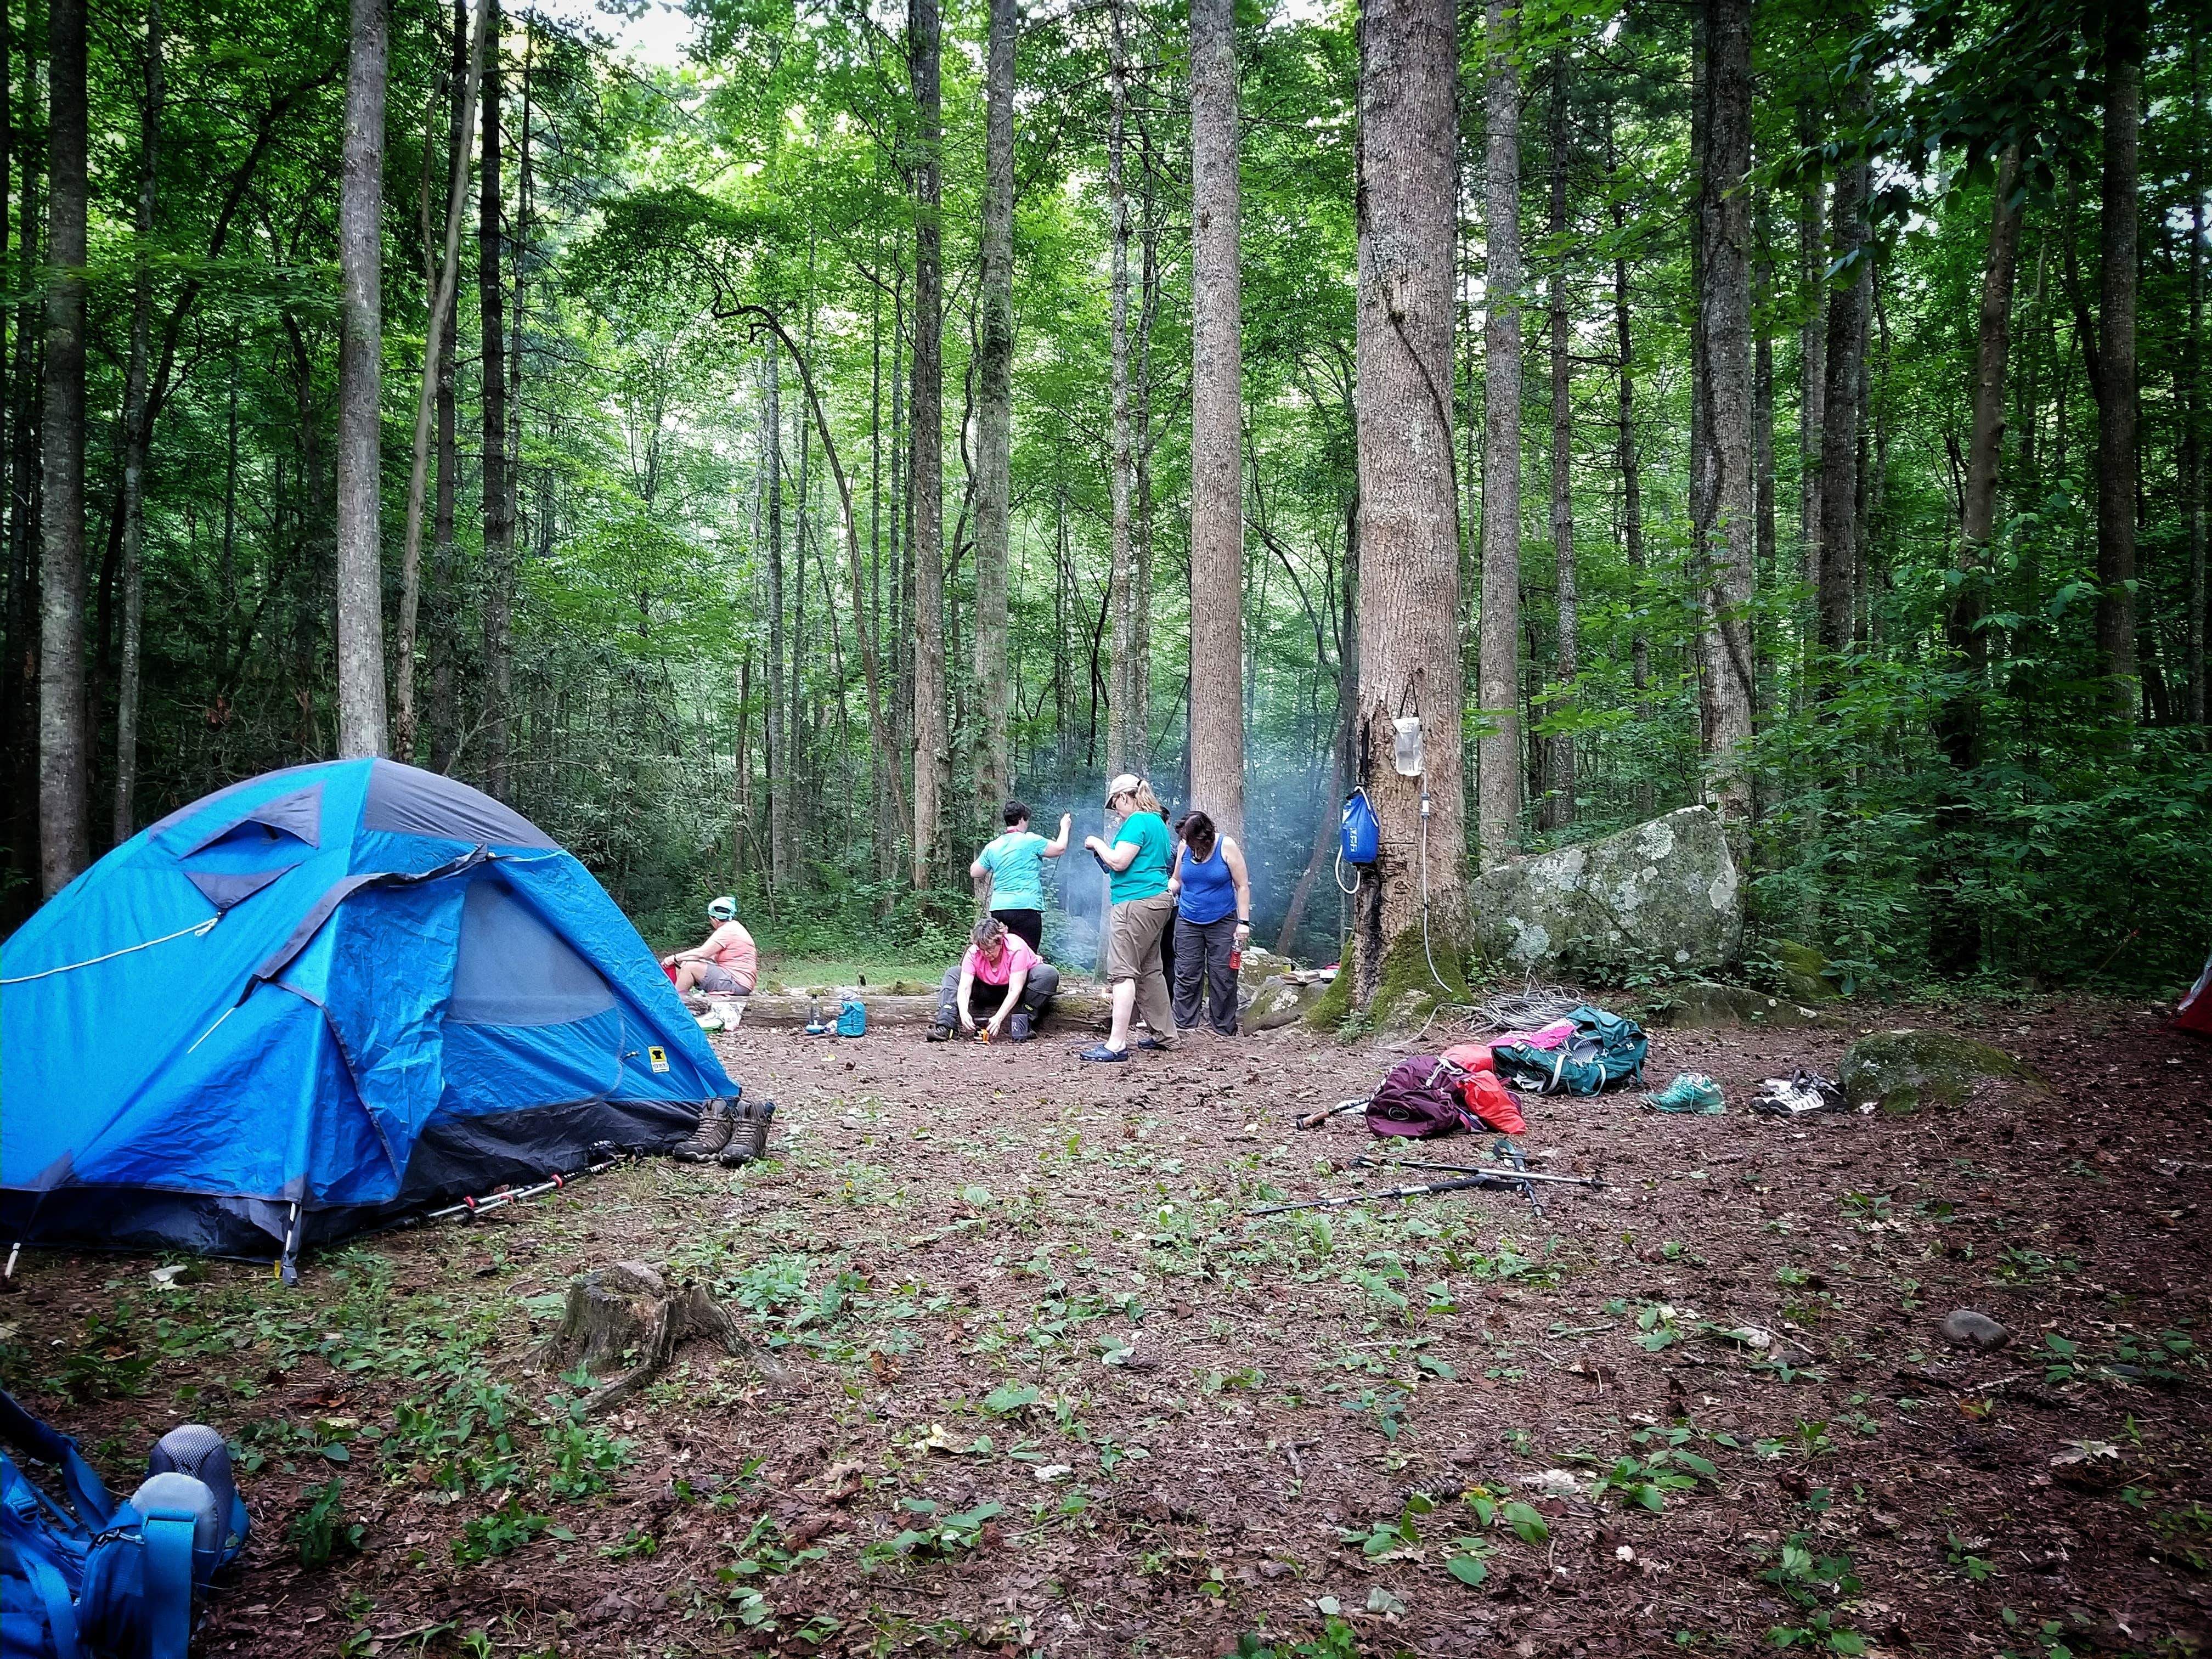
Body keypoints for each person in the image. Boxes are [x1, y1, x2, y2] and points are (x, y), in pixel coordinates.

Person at [1077, 775, 1176, 1063]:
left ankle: (1116, 1044)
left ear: (1124, 797)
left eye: (1115, 804)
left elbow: (1119, 861)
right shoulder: (1157, 822)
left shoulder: (1136, 821)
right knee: (1149, 970)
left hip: (1135, 903)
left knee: (1123, 972)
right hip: (1158, 900)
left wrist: (1097, 842)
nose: (1116, 810)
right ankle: (1165, 1035)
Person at [1168, 810, 1252, 1036]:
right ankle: (1184, 1024)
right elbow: (1177, 880)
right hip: (1188, 920)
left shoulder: (1226, 846)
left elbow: (1242, 886)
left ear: (1204, 836)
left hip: (1222, 920)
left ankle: (1223, 1028)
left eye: (1190, 838)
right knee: (1186, 972)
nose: (1186, 842)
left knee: (1223, 975)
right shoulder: (1185, 848)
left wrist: (1243, 922)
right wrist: (1164, 892)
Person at [929, 915, 1060, 1042]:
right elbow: (965, 987)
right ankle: (946, 1025)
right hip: (986, 989)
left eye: (990, 949)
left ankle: (1023, 1022)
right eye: (982, 949)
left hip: (1018, 988)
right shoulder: (973, 953)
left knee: (1047, 973)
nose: (986, 954)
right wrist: (964, 1013)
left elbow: (1015, 990)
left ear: (1001, 941)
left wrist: (998, 1018)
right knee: (953, 973)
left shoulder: (1016, 948)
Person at [969, 800, 1071, 954]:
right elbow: (1060, 848)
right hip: (1026, 909)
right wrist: (1065, 826)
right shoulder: (1031, 840)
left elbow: (974, 872)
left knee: (1002, 956)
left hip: (1000, 910)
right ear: (1022, 819)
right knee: (1026, 956)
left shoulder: (993, 846)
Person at [662, 896, 758, 997]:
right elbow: (707, 956)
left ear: (715, 919)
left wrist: (674, 958)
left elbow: (702, 953)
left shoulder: (727, 930)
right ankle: (680, 996)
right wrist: (682, 960)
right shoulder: (735, 928)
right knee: (686, 963)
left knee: (690, 967)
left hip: (737, 984)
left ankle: (675, 1003)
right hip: (739, 982)